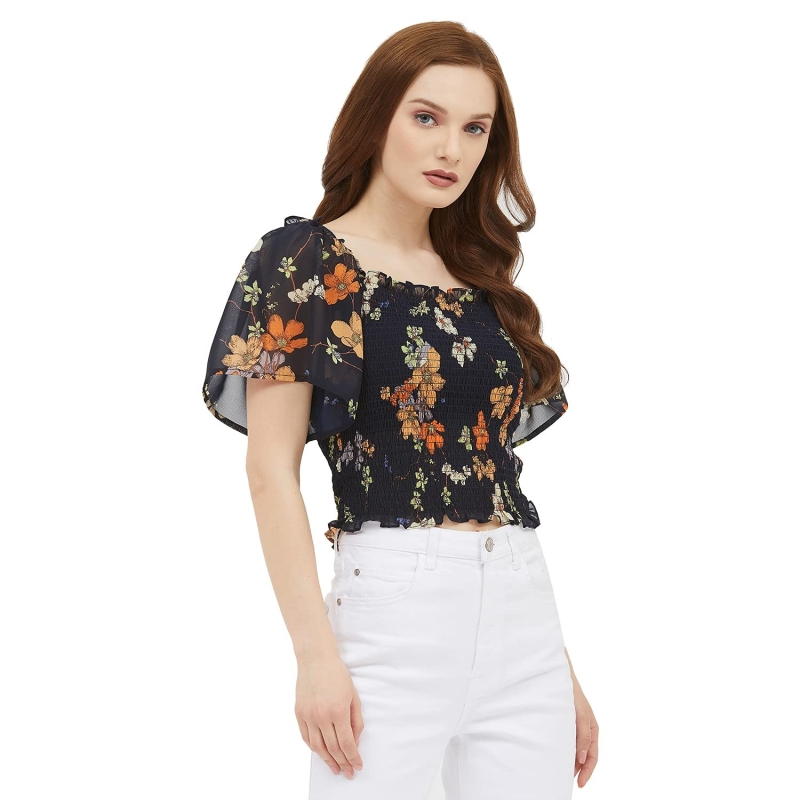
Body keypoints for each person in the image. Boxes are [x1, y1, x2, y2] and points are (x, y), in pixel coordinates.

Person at [201, 20, 599, 799]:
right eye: (427, 117)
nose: (452, 148)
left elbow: (494, 477)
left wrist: (561, 669)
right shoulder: (306, 261)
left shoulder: (479, 278)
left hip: (523, 612)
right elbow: (270, 471)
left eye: (475, 128)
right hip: (391, 614)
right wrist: (314, 655)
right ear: (377, 117)